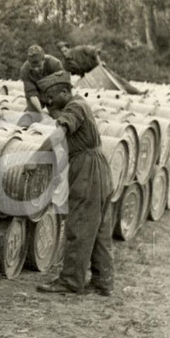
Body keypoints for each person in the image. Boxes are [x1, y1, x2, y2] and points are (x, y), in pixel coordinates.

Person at [35, 71, 116, 296]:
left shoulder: (74, 107)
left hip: (88, 169)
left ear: (64, 91)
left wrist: (35, 157)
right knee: (99, 228)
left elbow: (59, 134)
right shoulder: (79, 105)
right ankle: (103, 281)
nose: (49, 102)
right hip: (98, 167)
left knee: (79, 225)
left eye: (51, 96)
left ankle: (71, 281)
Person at [18, 44, 64, 114]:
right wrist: (41, 112)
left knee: (59, 114)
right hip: (37, 94)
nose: (36, 69)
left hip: (54, 92)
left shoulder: (54, 64)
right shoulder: (25, 70)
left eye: (39, 66)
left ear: (43, 60)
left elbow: (62, 87)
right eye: (33, 67)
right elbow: (31, 94)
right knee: (33, 114)